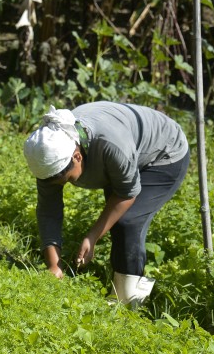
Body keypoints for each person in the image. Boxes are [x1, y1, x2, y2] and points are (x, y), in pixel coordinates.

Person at [23, 102, 189, 306]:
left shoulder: (110, 145)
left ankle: (128, 300)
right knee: (116, 219)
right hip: (125, 152)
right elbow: (49, 210)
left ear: (77, 156)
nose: (63, 184)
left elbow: (127, 194)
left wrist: (92, 236)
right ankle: (120, 286)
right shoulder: (47, 157)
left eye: (67, 179)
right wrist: (54, 266)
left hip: (164, 153)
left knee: (127, 220)